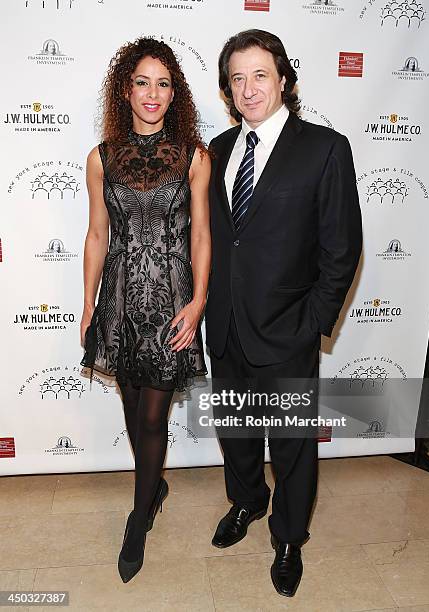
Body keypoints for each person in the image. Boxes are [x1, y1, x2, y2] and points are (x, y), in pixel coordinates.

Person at [206, 29, 362, 597]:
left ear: (284, 79)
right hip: (224, 327)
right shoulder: (215, 153)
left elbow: (342, 249)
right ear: (227, 89)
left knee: (292, 444)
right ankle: (247, 502)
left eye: (259, 75)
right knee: (237, 432)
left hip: (288, 331)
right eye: (237, 79)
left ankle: (290, 536)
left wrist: (311, 322)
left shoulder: (324, 148)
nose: (248, 89)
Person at [80, 37, 211, 583]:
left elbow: (201, 234)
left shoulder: (194, 155)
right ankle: (151, 482)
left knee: (154, 414)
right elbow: (96, 234)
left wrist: (198, 301)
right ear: (125, 90)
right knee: (134, 411)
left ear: (174, 92)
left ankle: (139, 516)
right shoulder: (102, 157)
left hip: (172, 302)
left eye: (163, 83)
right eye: (142, 82)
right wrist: (87, 306)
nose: (152, 93)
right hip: (118, 302)